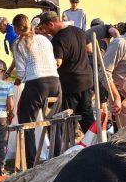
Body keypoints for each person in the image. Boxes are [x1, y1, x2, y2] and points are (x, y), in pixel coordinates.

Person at [38, 11, 96, 150]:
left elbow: (57, 62)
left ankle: (66, 148)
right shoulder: (79, 31)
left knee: (68, 117)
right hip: (87, 79)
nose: (46, 32)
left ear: (51, 24)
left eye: (46, 29)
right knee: (86, 114)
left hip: (71, 83)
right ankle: (96, 144)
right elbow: (90, 49)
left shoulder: (58, 39)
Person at [10, 13, 61, 167]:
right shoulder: (44, 39)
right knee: (55, 122)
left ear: (16, 28)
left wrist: (17, 79)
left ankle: (31, 162)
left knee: (27, 121)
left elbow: (21, 72)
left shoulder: (18, 44)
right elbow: (52, 60)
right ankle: (57, 157)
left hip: (36, 83)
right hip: (55, 82)